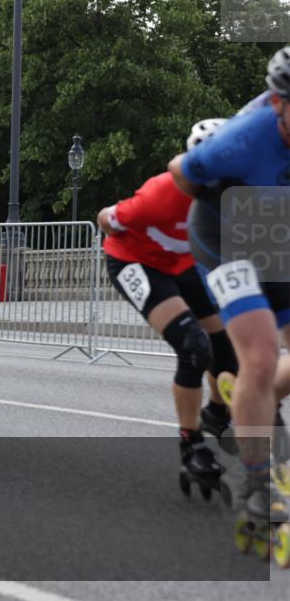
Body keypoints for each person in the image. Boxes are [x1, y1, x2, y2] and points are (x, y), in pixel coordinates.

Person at [168, 45, 290, 532]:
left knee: (259, 377)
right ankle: (258, 487)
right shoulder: (242, 138)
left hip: (275, 226)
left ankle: (248, 395)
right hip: (222, 232)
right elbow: (182, 170)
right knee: (259, 356)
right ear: (278, 104)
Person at [98, 119, 240, 495]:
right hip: (135, 260)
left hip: (184, 263)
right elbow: (106, 219)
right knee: (193, 346)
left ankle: (215, 413)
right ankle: (190, 442)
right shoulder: (159, 195)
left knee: (226, 351)